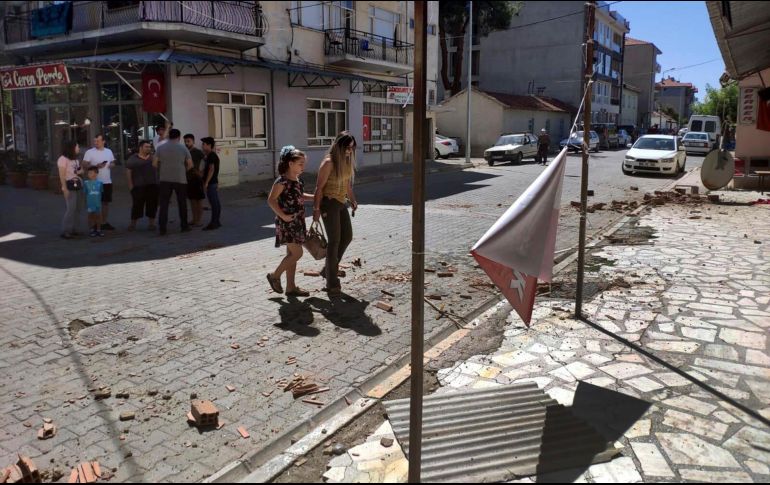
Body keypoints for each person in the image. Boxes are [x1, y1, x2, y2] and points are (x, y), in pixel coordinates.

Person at [313, 131, 358, 296]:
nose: (350, 151)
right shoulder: (328, 162)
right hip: (328, 203)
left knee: (347, 237)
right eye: (347, 147)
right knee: (334, 242)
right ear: (338, 144)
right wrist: (316, 210)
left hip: (340, 203)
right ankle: (332, 284)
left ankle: (328, 269)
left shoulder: (345, 162)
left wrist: (353, 200)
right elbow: (318, 188)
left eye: (352, 148)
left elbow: (347, 185)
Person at [266, 146, 315, 297]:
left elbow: (300, 196)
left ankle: (291, 288)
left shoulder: (297, 181)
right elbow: (271, 200)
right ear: (290, 163)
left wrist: (315, 197)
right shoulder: (282, 181)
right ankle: (274, 276)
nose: (303, 167)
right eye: (300, 163)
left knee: (291, 254)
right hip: (287, 223)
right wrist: (283, 216)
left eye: (303, 164)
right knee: (297, 253)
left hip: (298, 221)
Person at [154, 128, 193, 235]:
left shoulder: (160, 148)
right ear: (179, 137)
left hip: (164, 179)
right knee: (182, 203)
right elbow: (190, 164)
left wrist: (162, 169)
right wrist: (182, 170)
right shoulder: (183, 148)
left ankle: (162, 228)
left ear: (169, 136)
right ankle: (184, 226)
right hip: (180, 179)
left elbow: (154, 163)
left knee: (164, 204)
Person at [82, 134, 116, 230]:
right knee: (94, 203)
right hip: (94, 182)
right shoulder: (89, 152)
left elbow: (113, 162)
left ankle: (103, 222)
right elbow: (84, 165)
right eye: (95, 141)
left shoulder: (109, 151)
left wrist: (111, 165)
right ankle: (93, 224)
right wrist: (95, 166)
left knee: (105, 203)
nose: (96, 142)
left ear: (104, 141)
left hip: (107, 181)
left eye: (98, 141)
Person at [126, 140, 158, 231]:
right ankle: (133, 224)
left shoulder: (153, 158)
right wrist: (131, 186)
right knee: (136, 205)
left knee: (152, 205)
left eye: (149, 147)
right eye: (146, 147)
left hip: (152, 185)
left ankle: (151, 224)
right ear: (140, 147)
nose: (149, 148)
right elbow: (128, 172)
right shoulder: (133, 158)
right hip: (138, 186)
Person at [57, 140, 84, 239]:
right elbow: (62, 175)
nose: (79, 149)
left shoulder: (75, 159)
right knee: (70, 209)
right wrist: (64, 188)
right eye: (77, 147)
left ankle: (75, 229)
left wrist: (81, 171)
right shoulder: (62, 159)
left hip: (78, 184)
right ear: (72, 148)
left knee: (78, 208)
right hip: (70, 186)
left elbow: (80, 171)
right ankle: (66, 230)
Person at [184, 134, 205, 227]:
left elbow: (206, 161)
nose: (186, 143)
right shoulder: (184, 151)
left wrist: (201, 172)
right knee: (192, 200)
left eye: (188, 141)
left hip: (196, 179)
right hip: (187, 179)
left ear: (193, 141)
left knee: (198, 200)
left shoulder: (197, 152)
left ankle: (199, 220)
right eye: (185, 141)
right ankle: (194, 218)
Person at [201, 137, 221, 231]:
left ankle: (214, 222)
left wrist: (206, 182)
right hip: (213, 182)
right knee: (215, 202)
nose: (202, 146)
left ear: (209, 145)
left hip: (211, 183)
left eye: (204, 144)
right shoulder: (210, 155)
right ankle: (216, 221)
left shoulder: (211, 156)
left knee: (214, 203)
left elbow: (212, 169)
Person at [84, 166, 104, 237]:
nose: (91, 174)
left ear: (96, 173)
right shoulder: (86, 183)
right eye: (89, 173)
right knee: (90, 217)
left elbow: (101, 193)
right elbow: (85, 193)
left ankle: (98, 229)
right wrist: (85, 203)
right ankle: (91, 230)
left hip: (97, 204)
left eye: (92, 173)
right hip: (90, 204)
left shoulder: (100, 183)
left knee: (98, 217)